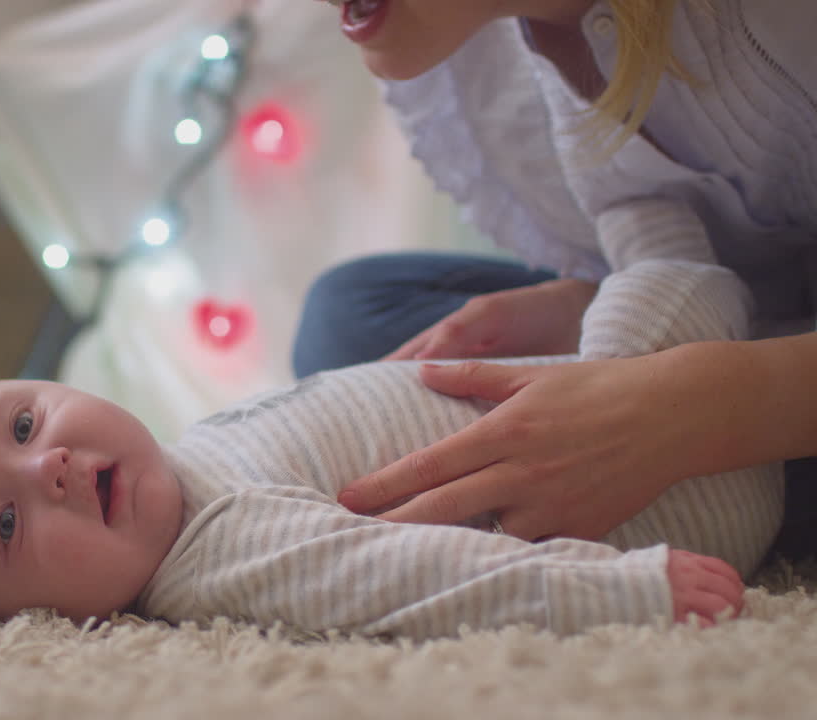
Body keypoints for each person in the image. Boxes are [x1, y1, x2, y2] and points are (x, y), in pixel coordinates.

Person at [0, 255, 780, 641]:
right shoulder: (229, 556)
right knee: (673, 277)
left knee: (344, 304)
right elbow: (418, 580)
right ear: (38, 623)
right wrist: (624, 586)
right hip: (678, 479)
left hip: (598, 395)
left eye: (22, 424)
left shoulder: (184, 458)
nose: (45, 465)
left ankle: (651, 295)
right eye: (7, 523)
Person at [294, 0, 817, 551]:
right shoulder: (518, 50)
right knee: (348, 316)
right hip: (756, 310)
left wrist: (692, 410)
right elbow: (671, 250)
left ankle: (718, 491)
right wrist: (586, 308)